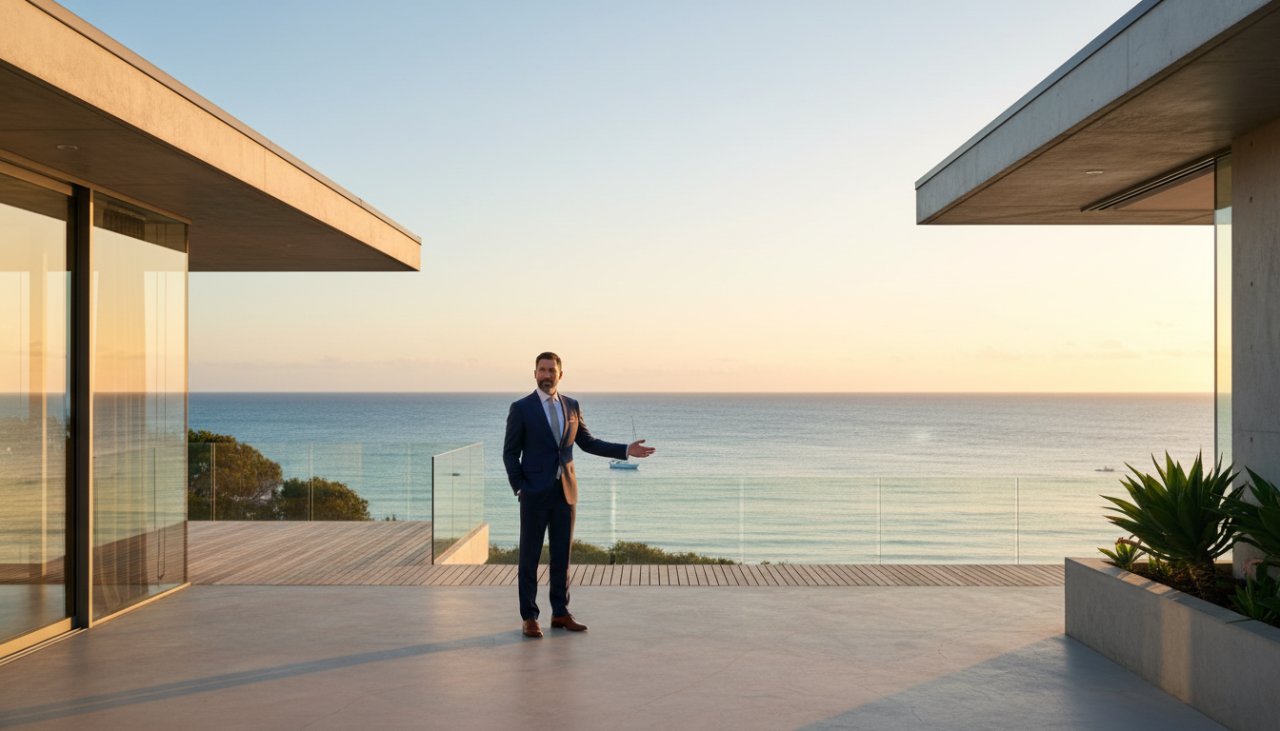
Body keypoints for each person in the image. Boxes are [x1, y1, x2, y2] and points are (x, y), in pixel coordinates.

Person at [503, 352, 655, 638]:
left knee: (562, 556)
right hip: (534, 494)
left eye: (552, 370)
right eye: (542, 370)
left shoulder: (571, 406)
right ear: (535, 373)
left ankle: (560, 612)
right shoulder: (521, 408)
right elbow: (510, 453)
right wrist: (520, 486)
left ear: (561, 374)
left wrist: (625, 450)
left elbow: (587, 442)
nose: (547, 375)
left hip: (566, 493)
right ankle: (530, 617)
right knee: (530, 557)